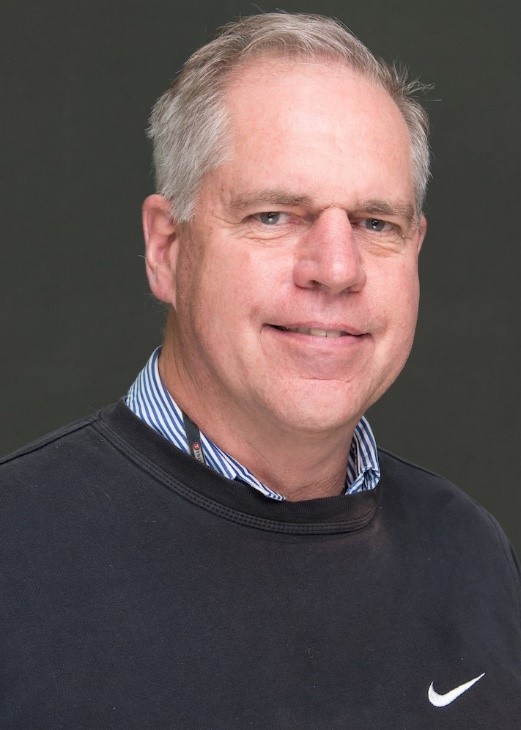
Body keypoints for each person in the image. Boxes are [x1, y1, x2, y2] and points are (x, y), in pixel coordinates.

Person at [0, 13, 519, 728]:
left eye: (375, 223)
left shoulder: (471, 553)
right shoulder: (16, 556)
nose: (336, 269)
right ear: (167, 249)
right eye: (274, 215)